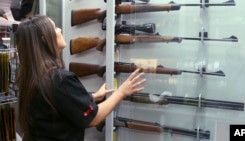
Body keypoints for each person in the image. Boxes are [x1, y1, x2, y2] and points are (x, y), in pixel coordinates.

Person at [15, 15, 146, 141]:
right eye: (54, 27)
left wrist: (92, 97)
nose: (60, 30)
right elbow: (93, 119)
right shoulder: (60, 79)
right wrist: (121, 92)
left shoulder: (34, 76)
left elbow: (56, 102)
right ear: (45, 39)